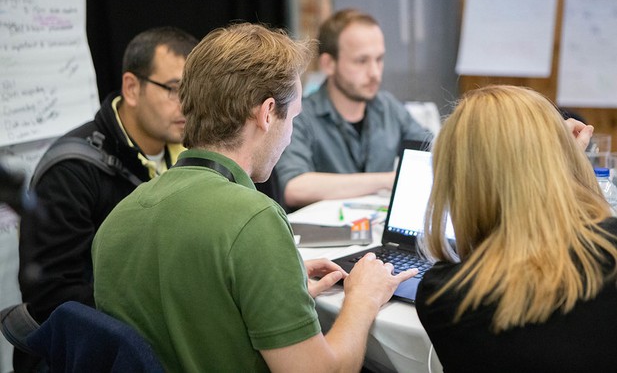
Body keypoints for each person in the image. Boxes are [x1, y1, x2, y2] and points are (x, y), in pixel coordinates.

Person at [92, 22, 417, 372]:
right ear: (265, 114)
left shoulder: (119, 217)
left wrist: (274, 283)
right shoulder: (254, 220)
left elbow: (182, 310)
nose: (290, 136)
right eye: (291, 119)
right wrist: (363, 300)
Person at [415, 85, 617, 372]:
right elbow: (590, 230)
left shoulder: (444, 295)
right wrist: (567, 166)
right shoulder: (610, 252)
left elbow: (488, 248)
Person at [18, 26, 198, 325]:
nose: (187, 105)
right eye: (174, 90)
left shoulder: (188, 150)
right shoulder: (71, 171)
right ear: (131, 88)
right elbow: (52, 296)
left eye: (193, 92)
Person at [275, 8, 432, 209]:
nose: (375, 73)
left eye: (379, 59)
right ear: (328, 64)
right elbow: (294, 187)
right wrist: (387, 180)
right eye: (361, 61)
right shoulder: (300, 116)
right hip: (325, 237)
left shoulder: (387, 107)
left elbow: (432, 151)